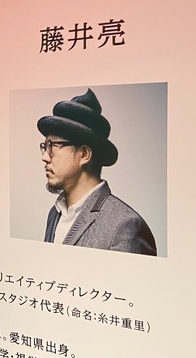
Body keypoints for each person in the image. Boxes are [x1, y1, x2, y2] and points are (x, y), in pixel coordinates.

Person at [37, 88, 157, 256]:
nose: (44, 157)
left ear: (84, 154)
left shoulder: (125, 227)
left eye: (52, 146)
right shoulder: (55, 214)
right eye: (45, 146)